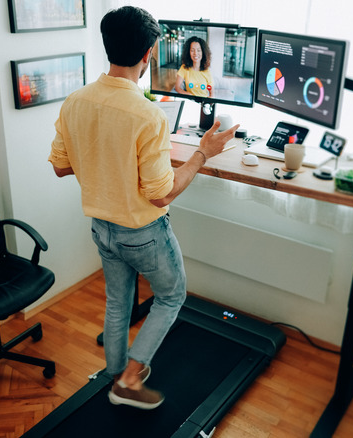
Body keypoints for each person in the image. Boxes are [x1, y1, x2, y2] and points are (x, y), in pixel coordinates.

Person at [48, 6, 238, 410]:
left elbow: (62, 166)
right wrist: (202, 153)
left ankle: (115, 375)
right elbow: (161, 195)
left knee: (118, 302)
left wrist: (102, 163)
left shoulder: (75, 101)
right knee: (171, 296)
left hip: (101, 227)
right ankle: (131, 379)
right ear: (149, 53)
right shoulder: (148, 115)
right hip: (143, 233)